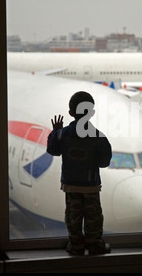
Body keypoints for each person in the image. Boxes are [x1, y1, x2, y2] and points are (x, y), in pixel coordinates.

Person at [46, 91, 112, 255]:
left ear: (70, 113)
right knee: (93, 216)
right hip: (91, 185)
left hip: (71, 185)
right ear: (91, 112)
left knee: (73, 216)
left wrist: (55, 131)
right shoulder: (98, 136)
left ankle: (76, 245)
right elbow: (104, 162)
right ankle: (95, 244)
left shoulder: (62, 134)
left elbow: (53, 151)